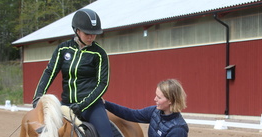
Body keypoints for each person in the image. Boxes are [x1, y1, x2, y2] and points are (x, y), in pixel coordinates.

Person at [32, 9, 113, 137]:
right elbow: (49, 72)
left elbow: (103, 83)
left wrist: (82, 105)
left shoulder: (99, 54)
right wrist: (38, 96)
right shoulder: (63, 49)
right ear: (77, 30)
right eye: (87, 33)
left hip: (91, 106)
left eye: (94, 34)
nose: (91, 37)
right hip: (66, 105)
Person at [104, 79, 189, 137]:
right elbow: (132, 114)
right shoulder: (154, 111)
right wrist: (106, 104)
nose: (155, 99)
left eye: (159, 97)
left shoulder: (178, 130)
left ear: (170, 100)